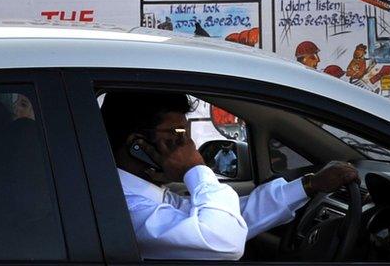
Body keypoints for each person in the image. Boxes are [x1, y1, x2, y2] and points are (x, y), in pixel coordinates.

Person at [101, 91, 359, 260]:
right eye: (177, 134)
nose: (188, 145)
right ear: (138, 144)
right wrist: (195, 170)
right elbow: (224, 238)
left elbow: (231, 218)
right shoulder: (130, 209)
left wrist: (309, 185)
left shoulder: (143, 195)